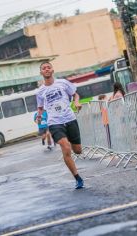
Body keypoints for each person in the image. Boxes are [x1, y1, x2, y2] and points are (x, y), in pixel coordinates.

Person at [36, 61, 84, 189]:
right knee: (65, 146)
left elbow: (75, 94)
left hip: (70, 118)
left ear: (52, 70)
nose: (46, 69)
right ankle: (77, 178)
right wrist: (39, 116)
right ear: (41, 72)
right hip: (55, 122)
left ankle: (71, 148)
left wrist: (77, 103)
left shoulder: (63, 83)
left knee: (77, 151)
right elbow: (40, 107)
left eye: (48, 67)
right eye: (43, 68)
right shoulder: (40, 92)